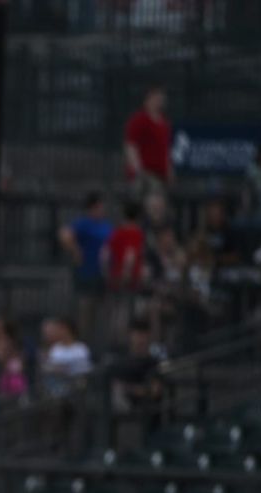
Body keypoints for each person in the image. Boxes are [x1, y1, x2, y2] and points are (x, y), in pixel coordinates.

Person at [58, 191, 112, 347]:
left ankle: (100, 346)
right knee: (85, 311)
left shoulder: (106, 225)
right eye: (99, 207)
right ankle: (82, 343)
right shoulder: (83, 224)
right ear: (92, 208)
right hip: (87, 274)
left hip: (103, 276)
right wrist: (75, 250)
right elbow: (64, 234)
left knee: (103, 313)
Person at [124, 86, 174, 198]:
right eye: (156, 98)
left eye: (161, 99)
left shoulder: (164, 124)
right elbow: (131, 147)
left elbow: (166, 150)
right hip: (145, 174)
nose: (159, 102)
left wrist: (169, 170)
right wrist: (138, 171)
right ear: (148, 99)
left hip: (161, 175)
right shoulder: (139, 120)